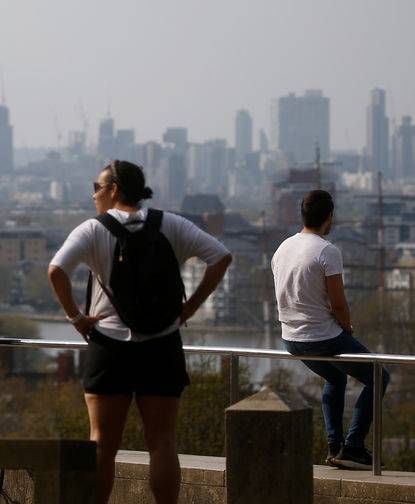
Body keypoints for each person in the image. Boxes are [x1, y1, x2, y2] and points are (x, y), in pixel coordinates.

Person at [48, 160, 232, 504]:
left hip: (109, 346)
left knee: (102, 443)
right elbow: (221, 257)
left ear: (114, 189)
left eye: (97, 187)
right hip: (161, 345)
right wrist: (189, 307)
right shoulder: (171, 224)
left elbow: (56, 270)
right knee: (162, 441)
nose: (94, 195)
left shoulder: (92, 230)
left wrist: (76, 317)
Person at [271, 189, 390, 470]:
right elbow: (338, 303)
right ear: (329, 218)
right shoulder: (327, 251)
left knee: (336, 379)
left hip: (291, 338)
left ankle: (335, 446)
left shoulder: (283, 248)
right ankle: (354, 446)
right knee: (379, 375)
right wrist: (346, 327)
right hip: (321, 337)